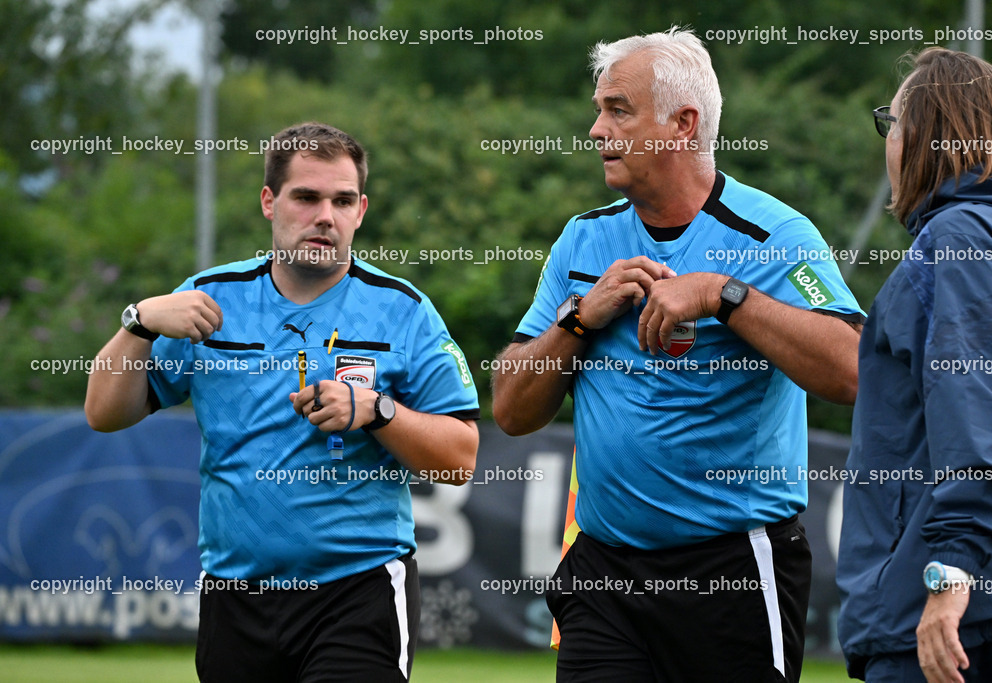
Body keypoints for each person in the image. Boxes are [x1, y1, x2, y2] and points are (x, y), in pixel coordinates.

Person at [492, 27, 864, 682]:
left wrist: (725, 296)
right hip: (604, 571)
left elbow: (855, 369)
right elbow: (511, 410)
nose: (596, 130)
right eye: (599, 109)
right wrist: (579, 321)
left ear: (683, 124)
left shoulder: (775, 234)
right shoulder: (583, 240)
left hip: (732, 570)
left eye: (618, 110)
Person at [84, 122, 480, 682]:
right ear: (270, 202)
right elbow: (103, 413)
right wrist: (138, 323)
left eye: (342, 201)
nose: (326, 216)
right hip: (235, 595)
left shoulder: (405, 310)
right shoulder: (207, 298)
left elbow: (460, 458)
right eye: (307, 197)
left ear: (361, 211)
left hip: (357, 591)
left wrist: (377, 411)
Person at [837, 48, 992, 683]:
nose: (887, 143)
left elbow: (976, 410)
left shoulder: (959, 239)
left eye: (889, 123)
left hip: (960, 618)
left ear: (921, 133)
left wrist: (949, 574)